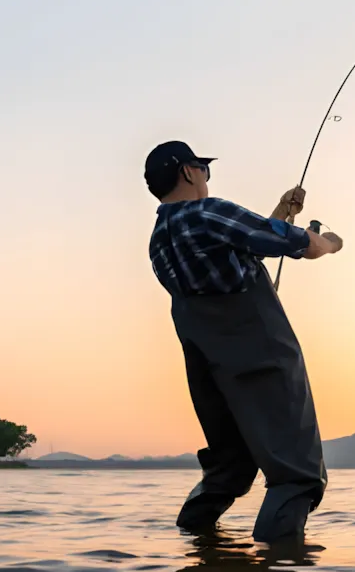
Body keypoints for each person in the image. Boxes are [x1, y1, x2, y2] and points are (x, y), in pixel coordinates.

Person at [143, 141, 343, 543]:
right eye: (204, 169)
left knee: (229, 469)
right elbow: (299, 245)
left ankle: (198, 556)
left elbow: (239, 256)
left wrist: (281, 211)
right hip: (263, 364)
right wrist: (330, 241)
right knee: (296, 476)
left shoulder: (160, 242)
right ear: (187, 172)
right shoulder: (209, 213)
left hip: (211, 377)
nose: (205, 178)